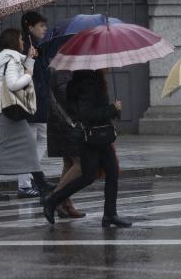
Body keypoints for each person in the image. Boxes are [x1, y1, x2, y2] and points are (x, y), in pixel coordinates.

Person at [42, 69, 129, 227]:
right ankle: (52, 201)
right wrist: (112, 109)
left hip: (100, 135)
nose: (108, 67)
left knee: (112, 171)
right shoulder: (88, 83)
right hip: (91, 137)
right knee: (88, 176)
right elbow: (87, 113)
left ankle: (110, 214)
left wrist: (114, 111)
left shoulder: (93, 80)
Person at [0, 28, 52, 202]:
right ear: (14, 41)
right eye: (21, 39)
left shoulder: (8, 58)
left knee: (18, 146)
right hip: (12, 111)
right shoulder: (12, 60)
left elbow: (14, 77)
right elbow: (14, 84)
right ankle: (41, 185)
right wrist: (28, 75)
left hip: (7, 110)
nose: (23, 42)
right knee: (22, 146)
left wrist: (30, 59)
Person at [16, 11, 50, 199]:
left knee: (41, 138)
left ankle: (33, 178)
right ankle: (25, 184)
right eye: (40, 25)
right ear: (30, 27)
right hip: (32, 99)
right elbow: (26, 75)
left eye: (45, 25)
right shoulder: (26, 47)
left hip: (40, 99)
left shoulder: (37, 46)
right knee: (31, 142)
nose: (44, 28)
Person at [45, 69, 85, 218]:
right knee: (80, 164)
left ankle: (66, 204)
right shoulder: (63, 70)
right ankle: (54, 198)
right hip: (67, 124)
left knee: (69, 163)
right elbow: (66, 97)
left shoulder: (68, 70)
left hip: (64, 123)